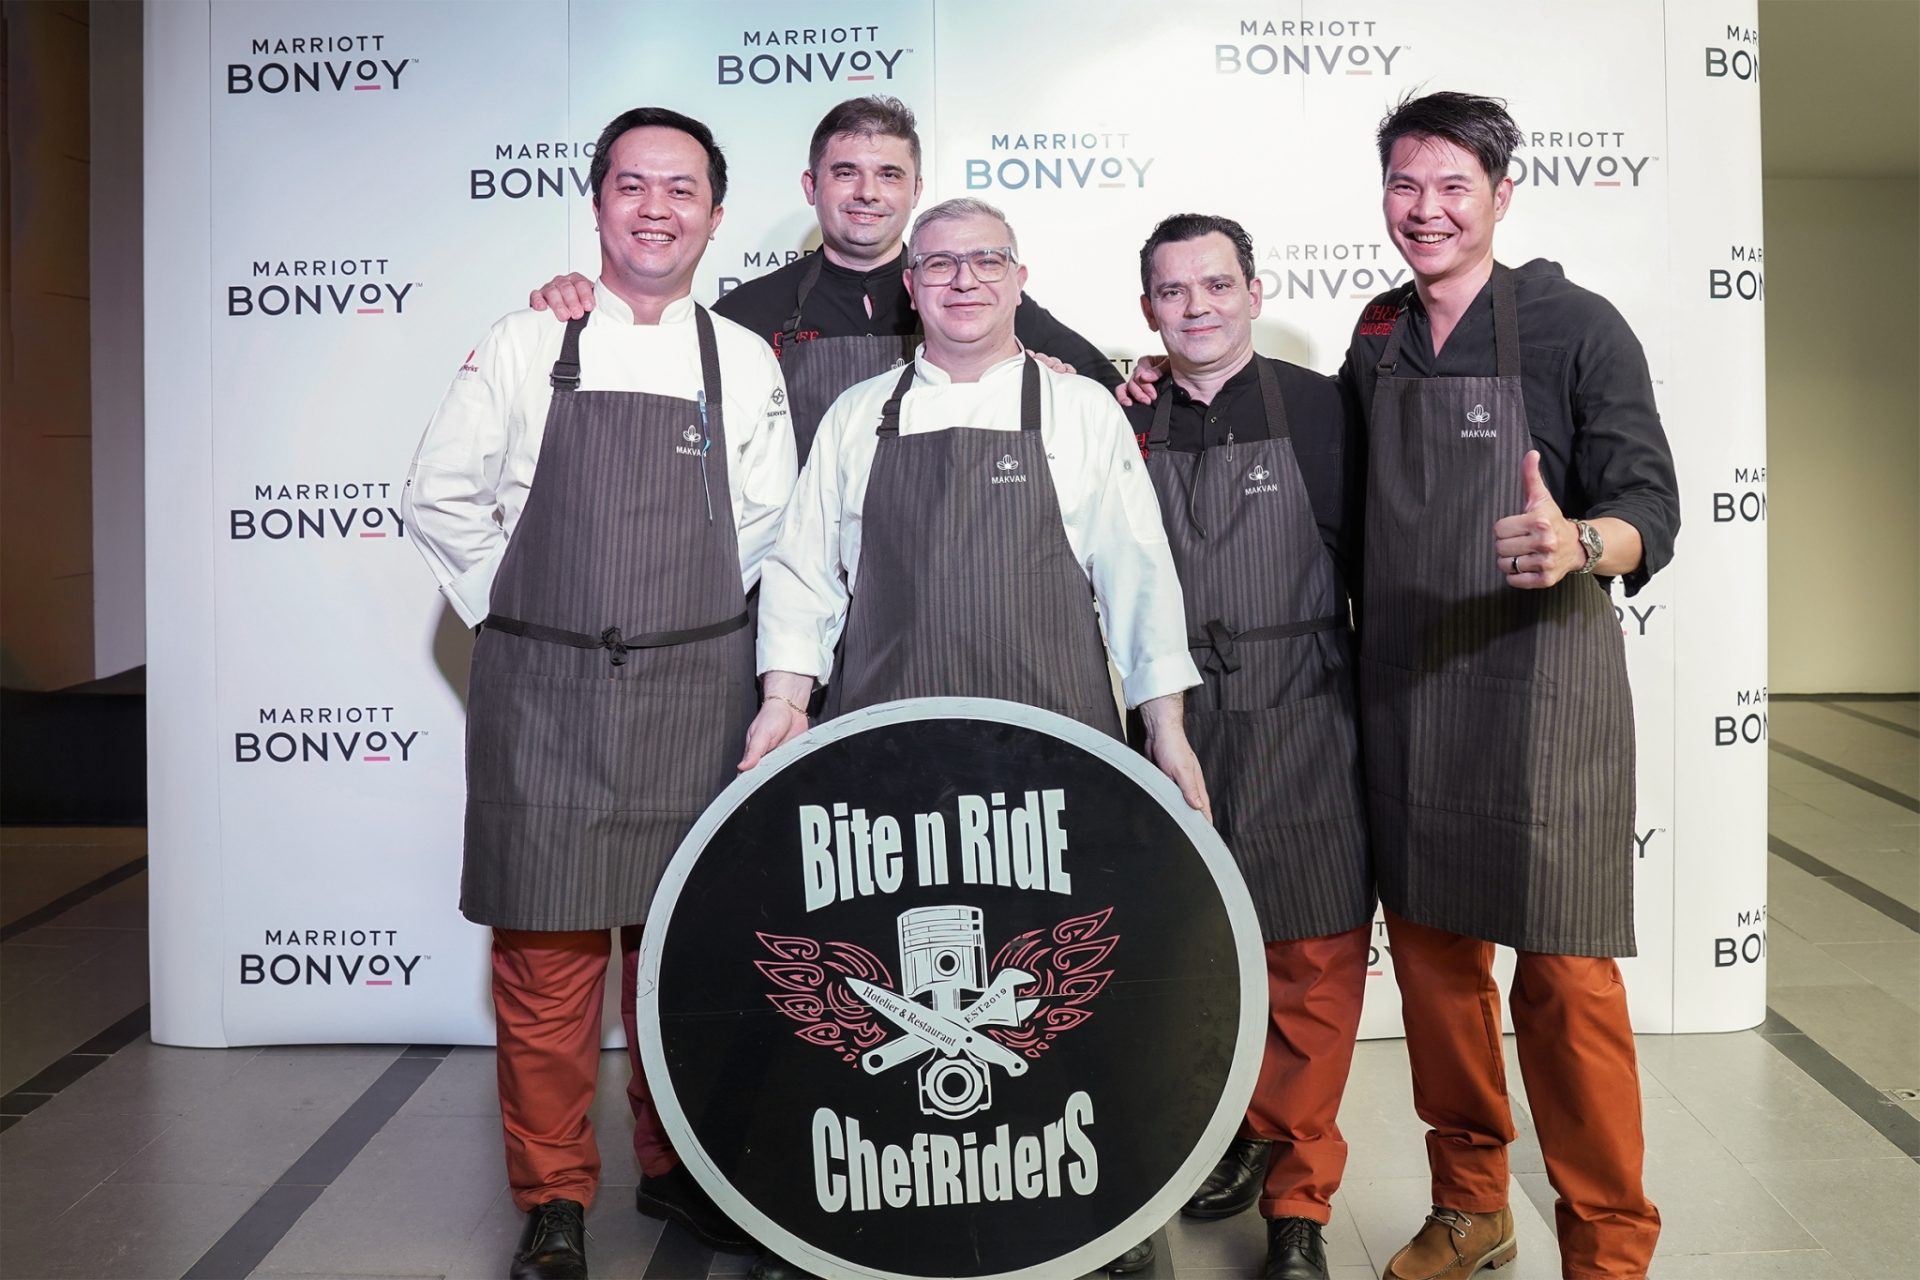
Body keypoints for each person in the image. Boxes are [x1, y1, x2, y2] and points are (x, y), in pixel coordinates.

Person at [739, 197, 1207, 1280]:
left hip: (1056, 756)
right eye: (939, 263)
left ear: (1018, 278)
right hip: (885, 761)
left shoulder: (1077, 409)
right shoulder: (860, 416)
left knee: (1062, 978)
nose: (962, 280)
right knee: (886, 977)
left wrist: (1166, 728)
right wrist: (786, 701)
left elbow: (1139, 575)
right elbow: (805, 575)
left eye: (985, 261)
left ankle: (1105, 1211)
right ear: (910, 285)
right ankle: (890, 1207)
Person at [402, 107, 796, 1280]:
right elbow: (438, 494)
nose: (655, 208)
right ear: (598, 202)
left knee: (682, 952)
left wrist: (681, 612)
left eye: (681, 189)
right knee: (545, 965)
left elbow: (769, 522)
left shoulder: (743, 357)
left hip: (694, 688)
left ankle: (677, 1166)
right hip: (546, 694)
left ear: (714, 215)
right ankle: (554, 1194)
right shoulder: (528, 340)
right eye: (633, 185)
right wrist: (521, 605)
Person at [1339, 92, 1678, 1280]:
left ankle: (1609, 1248)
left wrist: (1578, 541)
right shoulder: (1378, 334)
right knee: (1437, 975)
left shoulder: (1578, 325)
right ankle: (1472, 1204)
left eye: (1453, 186)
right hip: (1410, 684)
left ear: (1501, 194)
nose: (1425, 209)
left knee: (1567, 981)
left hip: (1544, 686)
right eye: (1405, 184)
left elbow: (1650, 506)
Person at [1122, 214, 1374, 1280]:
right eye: (1173, 291)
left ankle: (1299, 1206)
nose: (1198, 309)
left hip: (1303, 700)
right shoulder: (1120, 419)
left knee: (1312, 957)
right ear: (1147, 310)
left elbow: (1378, 558)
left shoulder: (1324, 408)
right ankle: (1228, 1132)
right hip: (1166, 713)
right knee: (1192, 952)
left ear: (1256, 292)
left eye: (1217, 285)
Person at [531, 95, 1122, 462]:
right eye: (845, 173)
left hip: (934, 569)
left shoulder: (970, 299)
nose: (868, 193)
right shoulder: (748, 312)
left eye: (889, 174)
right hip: (793, 577)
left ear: (916, 190)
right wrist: (595, 301)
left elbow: (1114, 397)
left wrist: (1145, 372)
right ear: (811, 186)